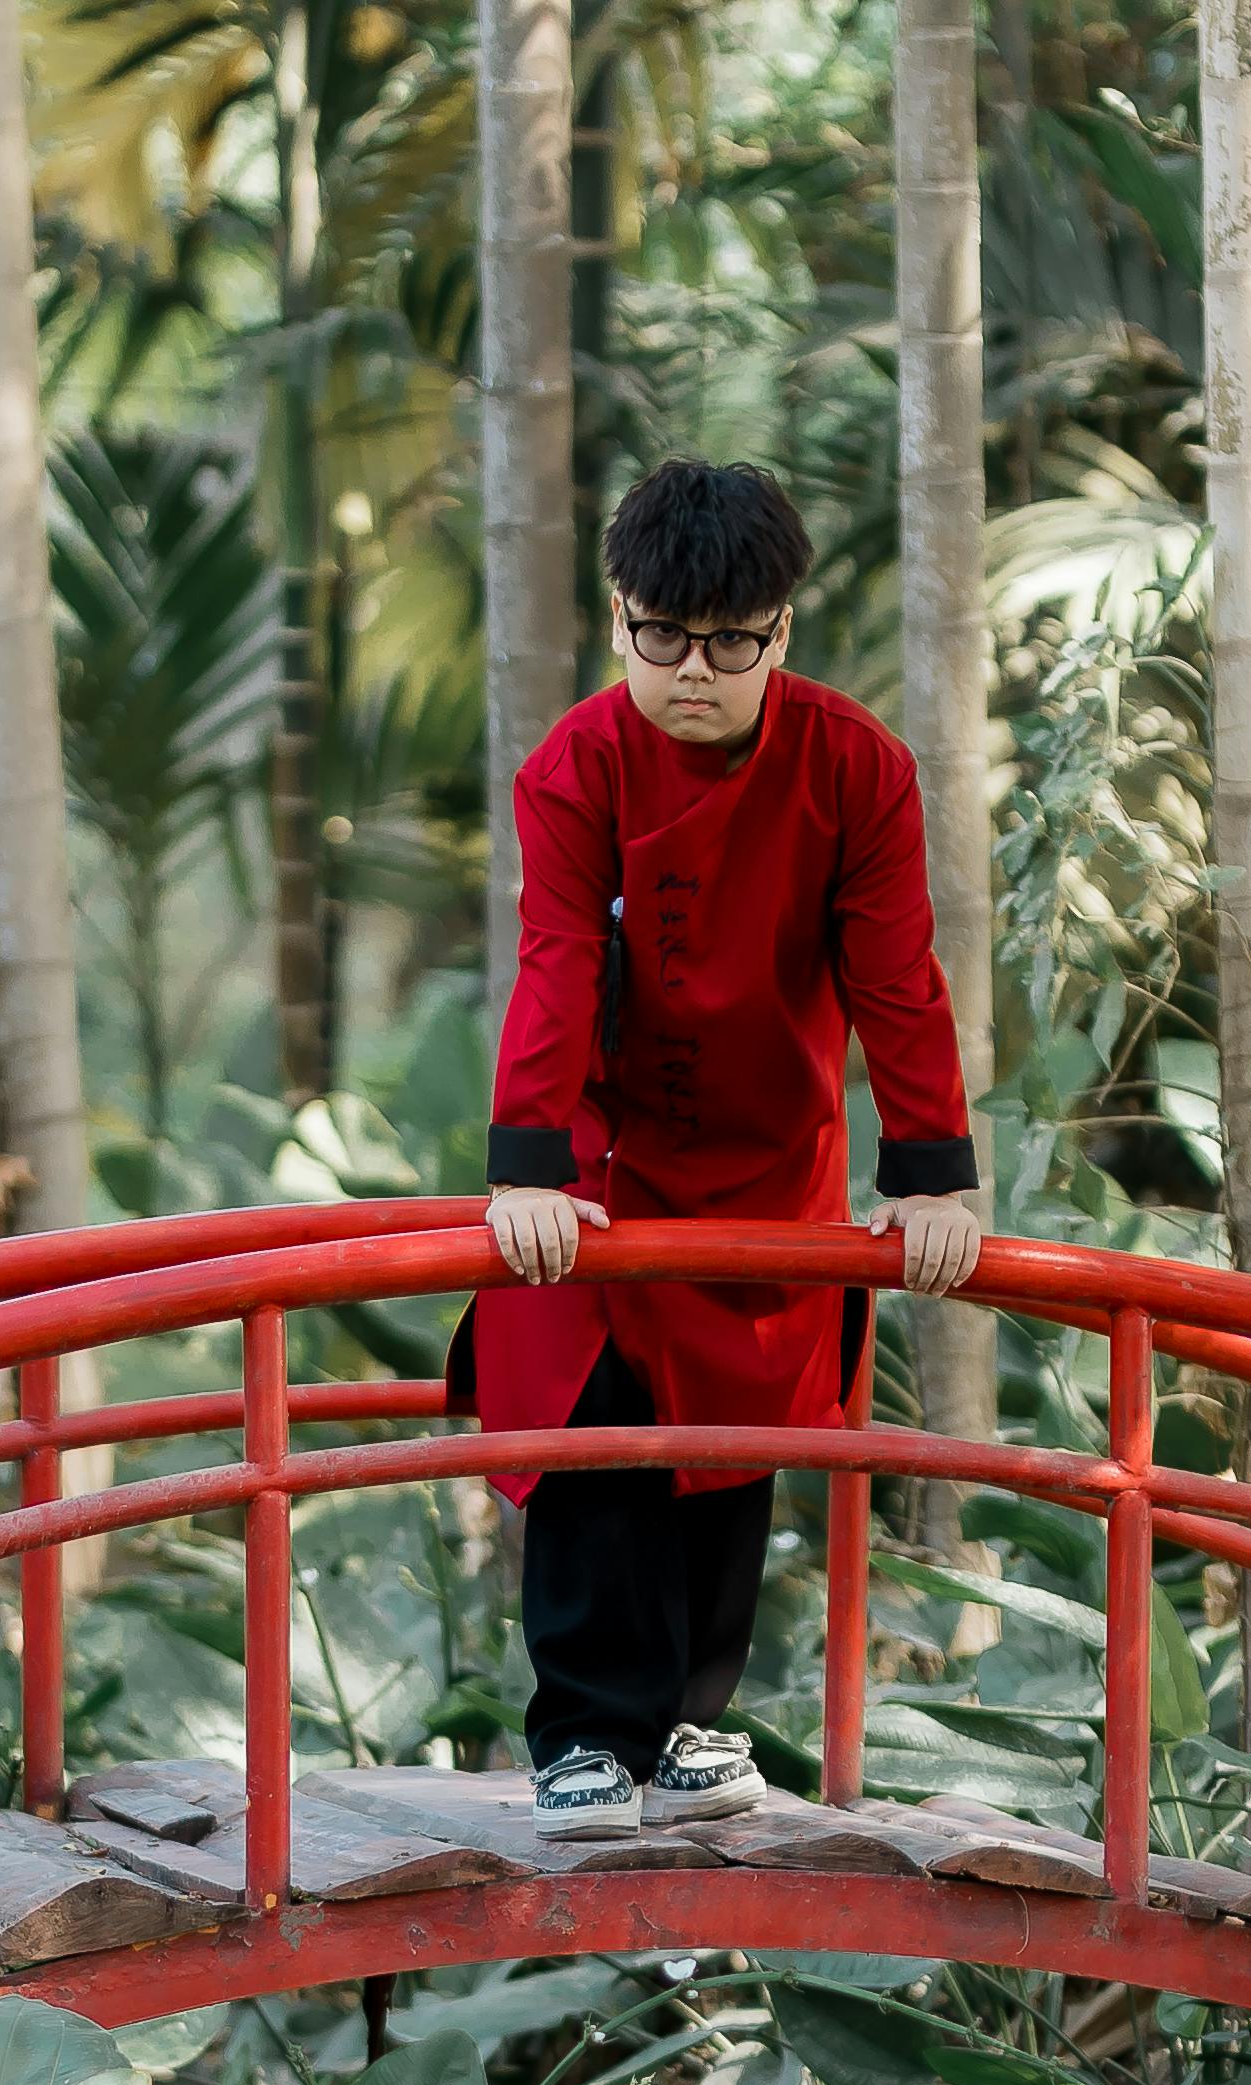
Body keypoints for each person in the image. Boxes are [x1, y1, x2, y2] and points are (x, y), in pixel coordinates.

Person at [453, 455, 984, 1837]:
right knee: (600, 1422)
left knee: (731, 1432)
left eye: (731, 642)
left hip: (770, 1153)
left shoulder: (857, 768)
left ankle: (696, 1720)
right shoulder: (576, 767)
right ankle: (580, 1736)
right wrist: (530, 1164)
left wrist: (932, 1173)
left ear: (783, 630)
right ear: (618, 614)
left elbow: (897, 980)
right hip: (611, 1157)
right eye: (662, 637)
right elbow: (559, 962)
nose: (695, 670)